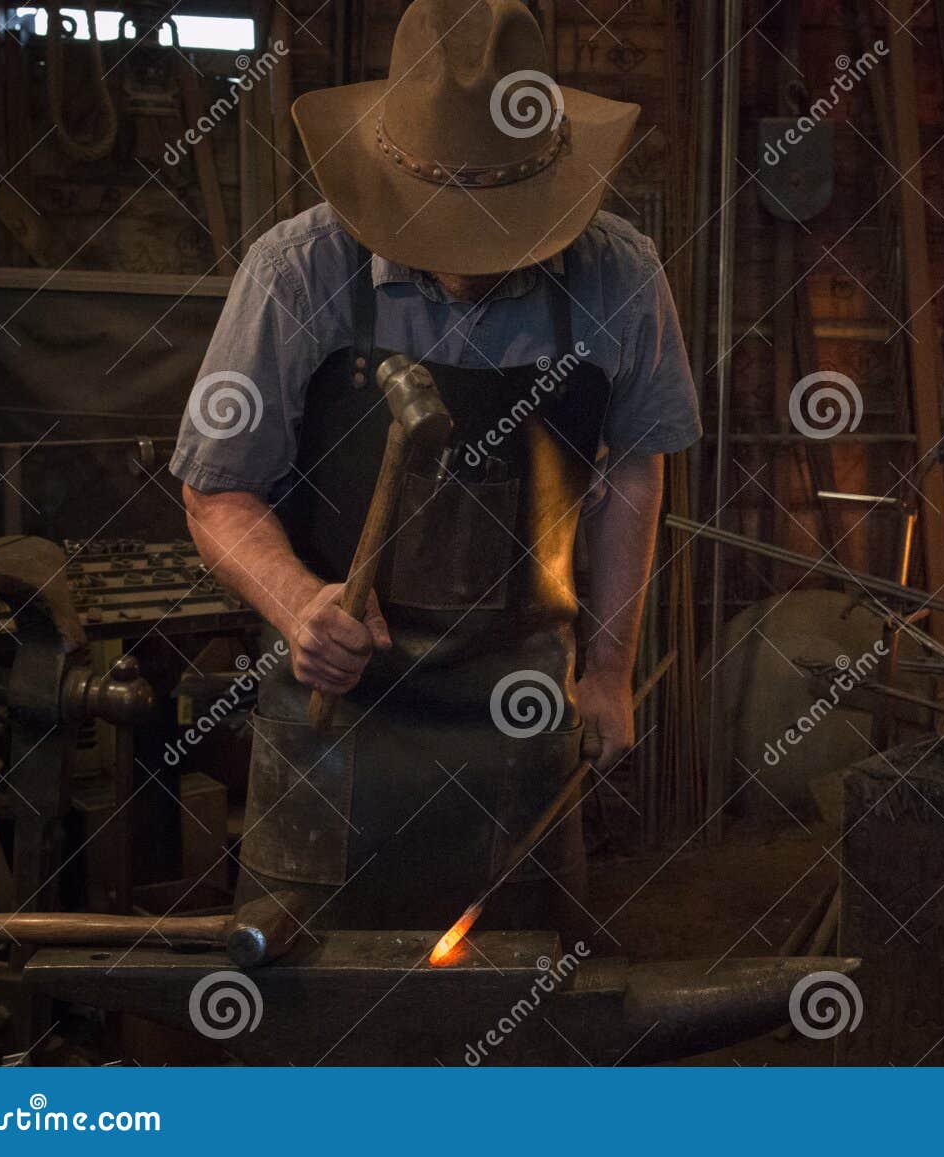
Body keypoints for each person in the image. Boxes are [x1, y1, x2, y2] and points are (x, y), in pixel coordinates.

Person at [171, 0, 699, 940]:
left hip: (520, 714)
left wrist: (610, 668)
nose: (469, 260)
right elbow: (216, 489)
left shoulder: (619, 277)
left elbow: (633, 472)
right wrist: (298, 604)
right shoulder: (297, 274)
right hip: (336, 722)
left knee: (521, 989)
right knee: (311, 1003)